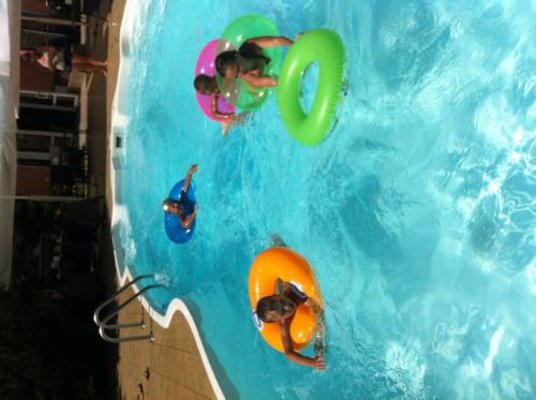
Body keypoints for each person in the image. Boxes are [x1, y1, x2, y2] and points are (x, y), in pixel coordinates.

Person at [255, 235, 326, 370]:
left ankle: (278, 245)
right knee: (320, 328)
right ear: (279, 320)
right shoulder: (284, 324)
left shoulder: (287, 289)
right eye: (283, 312)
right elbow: (289, 354)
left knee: (285, 279)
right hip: (309, 304)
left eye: (281, 302)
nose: (287, 306)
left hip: (299, 285)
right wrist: (311, 362)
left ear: (276, 295)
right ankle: (319, 346)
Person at [215, 36, 294, 89]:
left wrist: (295, 44)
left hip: (262, 58)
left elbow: (275, 41)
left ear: (237, 56)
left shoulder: (250, 46)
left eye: (238, 70)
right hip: (256, 86)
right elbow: (274, 81)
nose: (241, 74)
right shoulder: (251, 78)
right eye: (236, 76)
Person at [20, 45, 107, 76]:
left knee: (84, 60)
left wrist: (50, 58)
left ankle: (102, 63)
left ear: (32, 53)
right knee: (85, 68)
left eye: (32, 56)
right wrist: (51, 66)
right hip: (64, 66)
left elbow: (53, 48)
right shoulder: (40, 63)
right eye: (31, 59)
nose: (33, 57)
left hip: (65, 56)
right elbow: (52, 69)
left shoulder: (40, 49)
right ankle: (101, 70)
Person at [162, 164, 199, 229]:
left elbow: (186, 186)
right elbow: (185, 225)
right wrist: (195, 212)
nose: (175, 205)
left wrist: (190, 172)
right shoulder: (181, 217)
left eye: (173, 203)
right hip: (192, 212)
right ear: (173, 213)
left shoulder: (182, 200)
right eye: (173, 207)